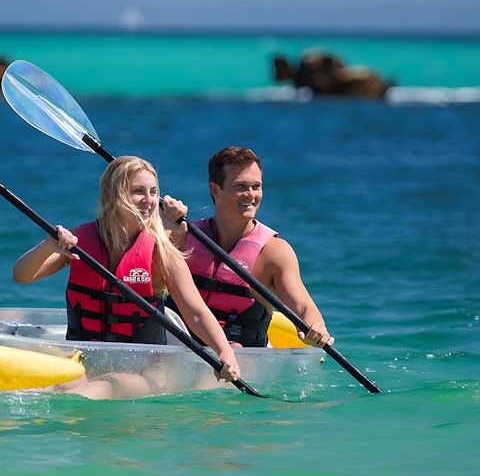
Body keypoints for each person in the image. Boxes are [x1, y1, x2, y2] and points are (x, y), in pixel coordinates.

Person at [13, 155, 241, 389]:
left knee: (102, 387)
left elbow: (196, 313)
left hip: (147, 371)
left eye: (153, 192)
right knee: (53, 387)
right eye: (138, 191)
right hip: (89, 362)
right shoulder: (80, 242)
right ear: (111, 194)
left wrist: (225, 352)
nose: (149, 200)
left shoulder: (160, 252)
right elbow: (22, 275)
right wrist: (47, 246)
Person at [162, 146, 334, 349]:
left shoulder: (273, 252)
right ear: (215, 190)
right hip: (179, 343)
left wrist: (316, 326)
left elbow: (303, 305)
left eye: (256, 186)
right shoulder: (183, 235)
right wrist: (162, 224)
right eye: (241, 186)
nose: (251, 195)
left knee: (235, 349)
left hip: (241, 355)